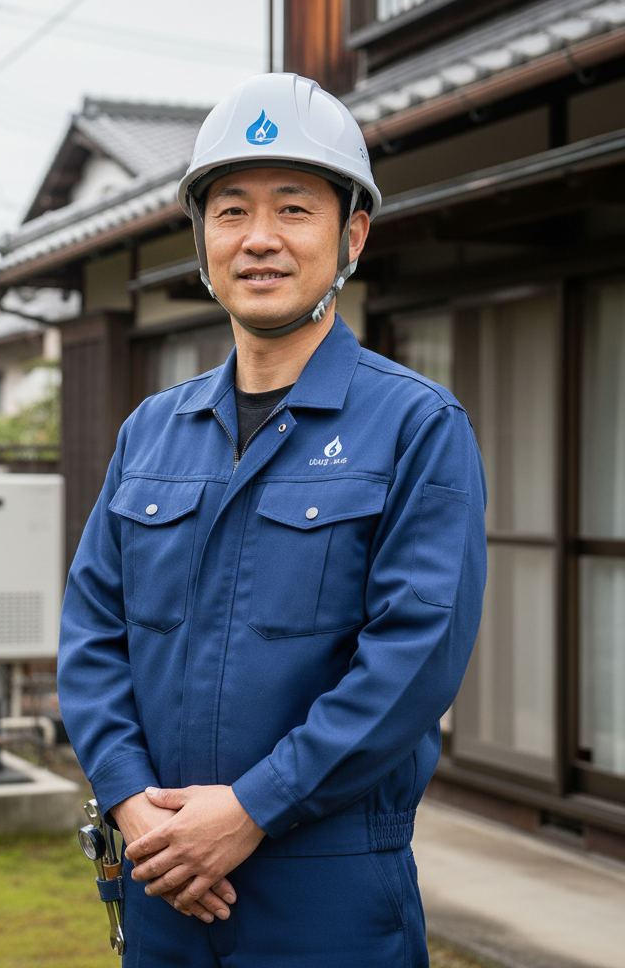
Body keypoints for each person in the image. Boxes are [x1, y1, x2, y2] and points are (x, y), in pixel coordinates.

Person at [57, 73, 487, 967]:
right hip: (162, 871)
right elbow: (92, 637)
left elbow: (414, 659)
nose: (259, 239)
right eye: (230, 212)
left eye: (294, 209)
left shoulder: (416, 426)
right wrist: (134, 804)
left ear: (351, 234)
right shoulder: (151, 431)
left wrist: (253, 808)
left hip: (326, 885)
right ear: (202, 238)